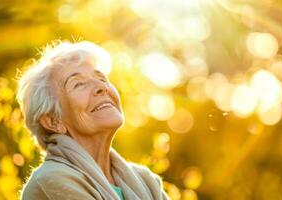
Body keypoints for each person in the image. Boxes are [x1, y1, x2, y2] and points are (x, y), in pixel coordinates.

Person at [17, 41, 170, 200]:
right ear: (53, 121)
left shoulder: (146, 180)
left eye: (102, 78)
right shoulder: (51, 181)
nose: (101, 87)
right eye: (78, 84)